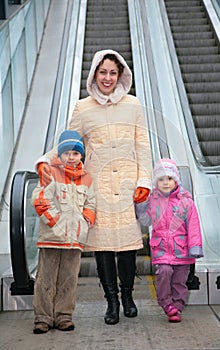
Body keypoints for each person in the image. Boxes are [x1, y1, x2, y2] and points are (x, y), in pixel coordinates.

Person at [39, 49, 152, 325]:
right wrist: (45, 161)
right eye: (103, 72)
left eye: (113, 72)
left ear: (120, 75)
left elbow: (143, 145)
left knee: (127, 246)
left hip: (126, 185)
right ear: (94, 74)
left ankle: (128, 296)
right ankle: (111, 301)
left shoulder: (134, 105)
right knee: (102, 246)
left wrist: (144, 181)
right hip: (97, 186)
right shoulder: (83, 108)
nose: (108, 77)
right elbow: (68, 144)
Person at [32, 130, 96, 334]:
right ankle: (43, 317)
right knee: (46, 279)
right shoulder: (50, 173)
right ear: (59, 155)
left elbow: (91, 203)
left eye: (76, 153)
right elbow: (41, 200)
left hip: (75, 239)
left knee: (69, 278)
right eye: (67, 153)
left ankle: (64, 316)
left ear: (81, 156)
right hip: (52, 238)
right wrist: (56, 222)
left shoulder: (87, 179)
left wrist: (85, 221)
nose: (71, 157)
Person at [135, 158, 203, 322]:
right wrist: (141, 205)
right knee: (164, 273)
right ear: (156, 182)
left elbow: (193, 225)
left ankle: (177, 307)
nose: (166, 183)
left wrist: (195, 246)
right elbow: (145, 221)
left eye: (169, 179)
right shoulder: (154, 201)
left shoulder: (186, 202)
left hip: (182, 250)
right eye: (161, 179)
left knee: (180, 280)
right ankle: (166, 303)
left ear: (176, 180)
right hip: (162, 249)